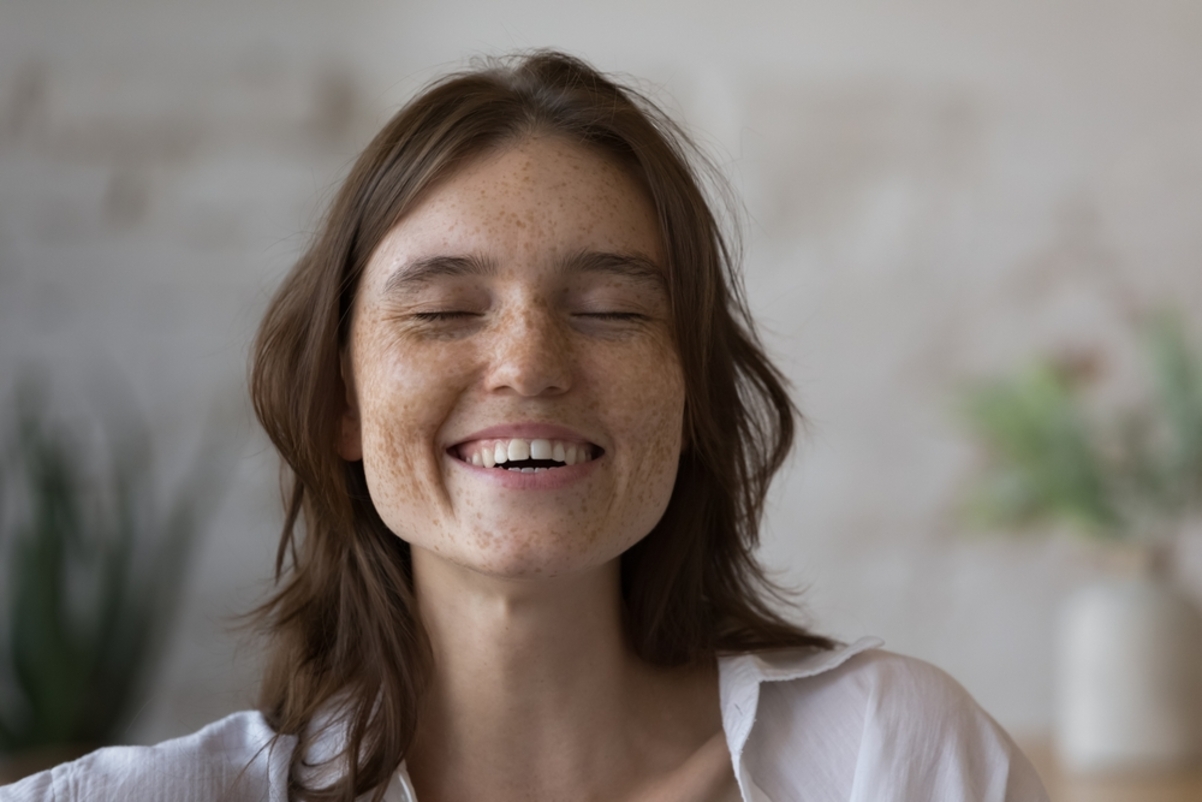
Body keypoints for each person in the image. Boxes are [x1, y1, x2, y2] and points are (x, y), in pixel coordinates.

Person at [1, 51, 1048, 802]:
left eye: (609, 311)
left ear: (690, 397)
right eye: (443, 312)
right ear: (340, 404)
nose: (527, 363)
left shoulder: (894, 761)